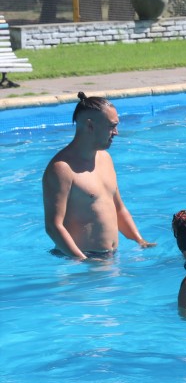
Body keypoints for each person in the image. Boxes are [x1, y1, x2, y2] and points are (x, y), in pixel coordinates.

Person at [42, 92, 155, 260]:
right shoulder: (62, 169)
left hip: (108, 258)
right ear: (90, 125)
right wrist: (82, 260)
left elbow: (118, 208)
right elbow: (53, 226)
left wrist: (140, 241)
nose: (116, 132)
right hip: (77, 260)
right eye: (111, 126)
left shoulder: (105, 159)